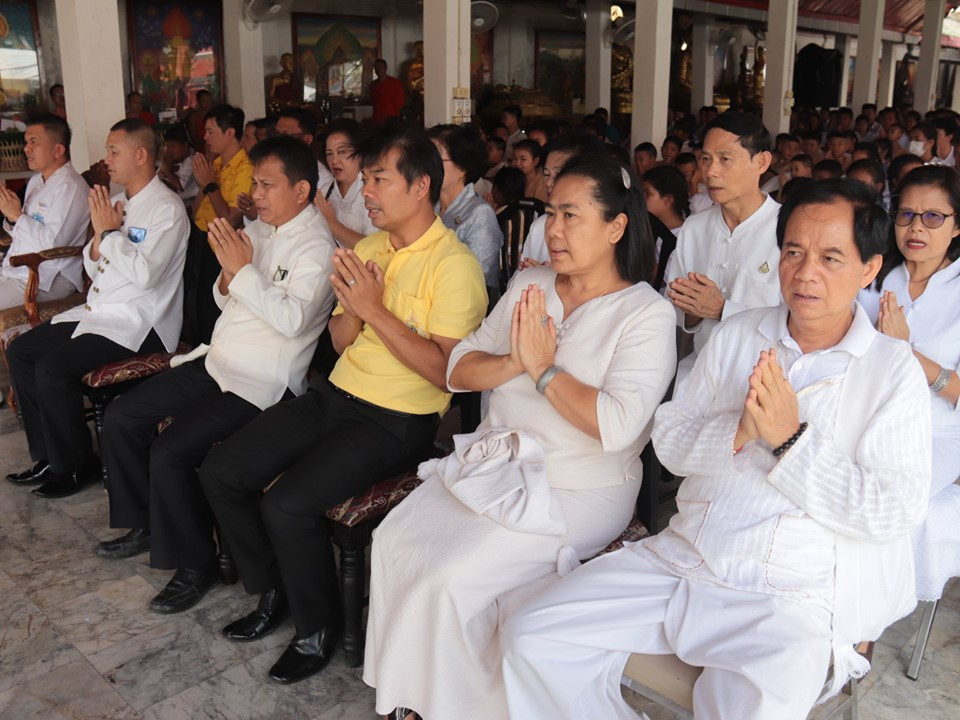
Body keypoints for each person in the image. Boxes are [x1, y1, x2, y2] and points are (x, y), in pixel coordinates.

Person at [503, 179, 932, 720]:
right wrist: (740, 431)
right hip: (685, 556)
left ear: (869, 269)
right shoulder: (739, 334)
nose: (805, 273)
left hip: (787, 594)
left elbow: (890, 511)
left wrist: (790, 440)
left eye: (830, 257)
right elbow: (670, 438)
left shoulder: (891, 370)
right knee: (532, 635)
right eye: (793, 252)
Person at [363, 155, 677, 720]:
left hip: (576, 486)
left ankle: (456, 707)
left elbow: (617, 425)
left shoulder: (644, 314)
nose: (553, 229)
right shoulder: (531, 283)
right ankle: (412, 693)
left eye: (572, 216)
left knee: (452, 576)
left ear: (616, 227)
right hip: (494, 465)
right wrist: (514, 360)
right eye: (551, 212)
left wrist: (545, 371)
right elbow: (458, 366)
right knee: (395, 540)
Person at [198, 129, 488, 684]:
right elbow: (336, 341)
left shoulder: (455, 266)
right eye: (370, 178)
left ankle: (318, 628)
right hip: (336, 396)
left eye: (380, 179)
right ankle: (278, 588)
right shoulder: (370, 248)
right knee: (222, 470)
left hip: (396, 420)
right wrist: (354, 312)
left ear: (421, 185)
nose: (367, 192)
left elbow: (446, 374)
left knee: (286, 506)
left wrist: (375, 311)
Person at [95, 135, 336, 614]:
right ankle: (148, 521)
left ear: (303, 191)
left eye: (268, 185)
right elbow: (226, 298)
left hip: (261, 379)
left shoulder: (317, 248)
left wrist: (242, 272)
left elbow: (293, 321)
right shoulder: (263, 228)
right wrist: (230, 277)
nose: (257, 195)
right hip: (218, 359)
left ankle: (195, 563)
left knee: (171, 450)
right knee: (124, 415)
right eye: (255, 184)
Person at [5, 119, 189, 497]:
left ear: (141, 156)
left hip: (140, 322)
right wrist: (99, 237)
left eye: (113, 151)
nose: (106, 160)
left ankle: (76, 466)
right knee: (22, 350)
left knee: (53, 369)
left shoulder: (166, 209)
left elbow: (146, 276)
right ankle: (47, 457)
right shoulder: (122, 204)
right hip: (101, 312)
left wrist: (107, 233)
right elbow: (94, 268)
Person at [859, 164, 960, 608]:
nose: (917, 227)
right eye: (906, 215)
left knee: (884, 503)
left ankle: (867, 620)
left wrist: (907, 352)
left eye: (934, 217)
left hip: (936, 435)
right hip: (868, 416)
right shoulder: (877, 277)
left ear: (957, 226)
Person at [664, 112, 782, 384]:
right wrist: (692, 307)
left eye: (724, 159)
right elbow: (680, 311)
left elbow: (796, 319)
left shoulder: (786, 230)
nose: (709, 172)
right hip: (699, 372)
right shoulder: (694, 228)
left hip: (762, 379)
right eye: (705, 159)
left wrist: (721, 309)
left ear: (761, 162)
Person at [0, 114, 89, 310]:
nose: (26, 148)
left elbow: (51, 245)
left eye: (34, 142)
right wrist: (11, 216)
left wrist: (16, 215)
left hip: (48, 277)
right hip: (18, 270)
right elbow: (23, 231)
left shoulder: (70, 187)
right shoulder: (36, 181)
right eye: (26, 142)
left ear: (58, 150)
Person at [188, 104, 253, 344]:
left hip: (222, 247)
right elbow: (196, 210)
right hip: (201, 238)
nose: (205, 137)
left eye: (211, 131)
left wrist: (211, 185)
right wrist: (204, 182)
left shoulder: (245, 167)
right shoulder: (215, 164)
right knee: (194, 302)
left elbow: (232, 219)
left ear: (230, 133)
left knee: (213, 306)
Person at [426, 123, 504, 295]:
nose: (427, 166)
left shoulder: (480, 214)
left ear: (461, 167)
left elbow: (476, 276)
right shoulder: (429, 204)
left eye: (436, 159)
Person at [518, 133, 606, 266]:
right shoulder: (540, 226)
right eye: (546, 174)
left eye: (559, 174)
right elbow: (519, 277)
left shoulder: (603, 228)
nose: (549, 183)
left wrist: (549, 278)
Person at [157, 125, 198, 204]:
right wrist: (163, 168)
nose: (170, 151)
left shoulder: (191, 162)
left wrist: (168, 169)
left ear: (185, 146)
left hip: (183, 201)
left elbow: (180, 186)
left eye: (173, 147)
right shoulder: (174, 161)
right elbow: (158, 178)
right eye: (168, 147)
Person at [371, 58, 406, 126]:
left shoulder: (395, 83)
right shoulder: (373, 85)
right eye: (376, 67)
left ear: (386, 68)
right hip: (377, 119)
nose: (379, 69)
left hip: (392, 119)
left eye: (381, 67)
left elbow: (401, 102)